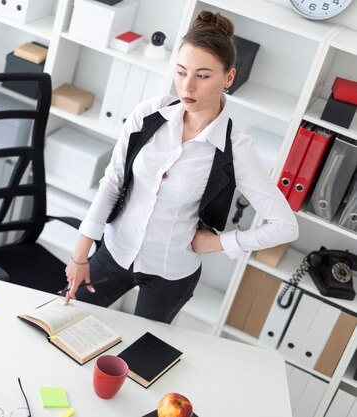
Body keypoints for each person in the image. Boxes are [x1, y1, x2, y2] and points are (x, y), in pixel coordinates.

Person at [63, 10, 298, 324]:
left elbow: (285, 225)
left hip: (170, 275)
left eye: (202, 75)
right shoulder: (150, 113)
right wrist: (80, 254)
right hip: (114, 253)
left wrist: (218, 243)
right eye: (181, 72)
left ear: (229, 77)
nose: (187, 87)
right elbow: (113, 181)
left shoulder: (236, 148)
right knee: (62, 323)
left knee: (139, 362)